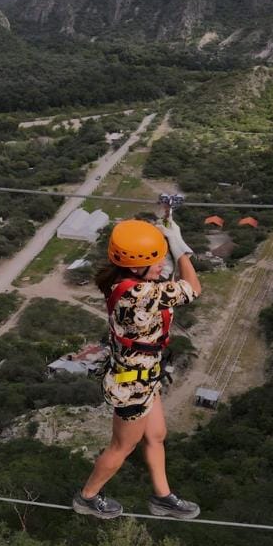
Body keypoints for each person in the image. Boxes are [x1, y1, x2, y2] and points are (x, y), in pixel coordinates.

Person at [73, 217, 202, 520]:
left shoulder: (122, 282)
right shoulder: (140, 295)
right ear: (135, 266)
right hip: (133, 385)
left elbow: (163, 279)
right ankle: (87, 496)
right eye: (154, 260)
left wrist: (162, 238)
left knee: (156, 434)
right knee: (122, 447)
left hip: (143, 375)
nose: (160, 266)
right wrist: (179, 248)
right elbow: (193, 288)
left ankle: (163, 497)